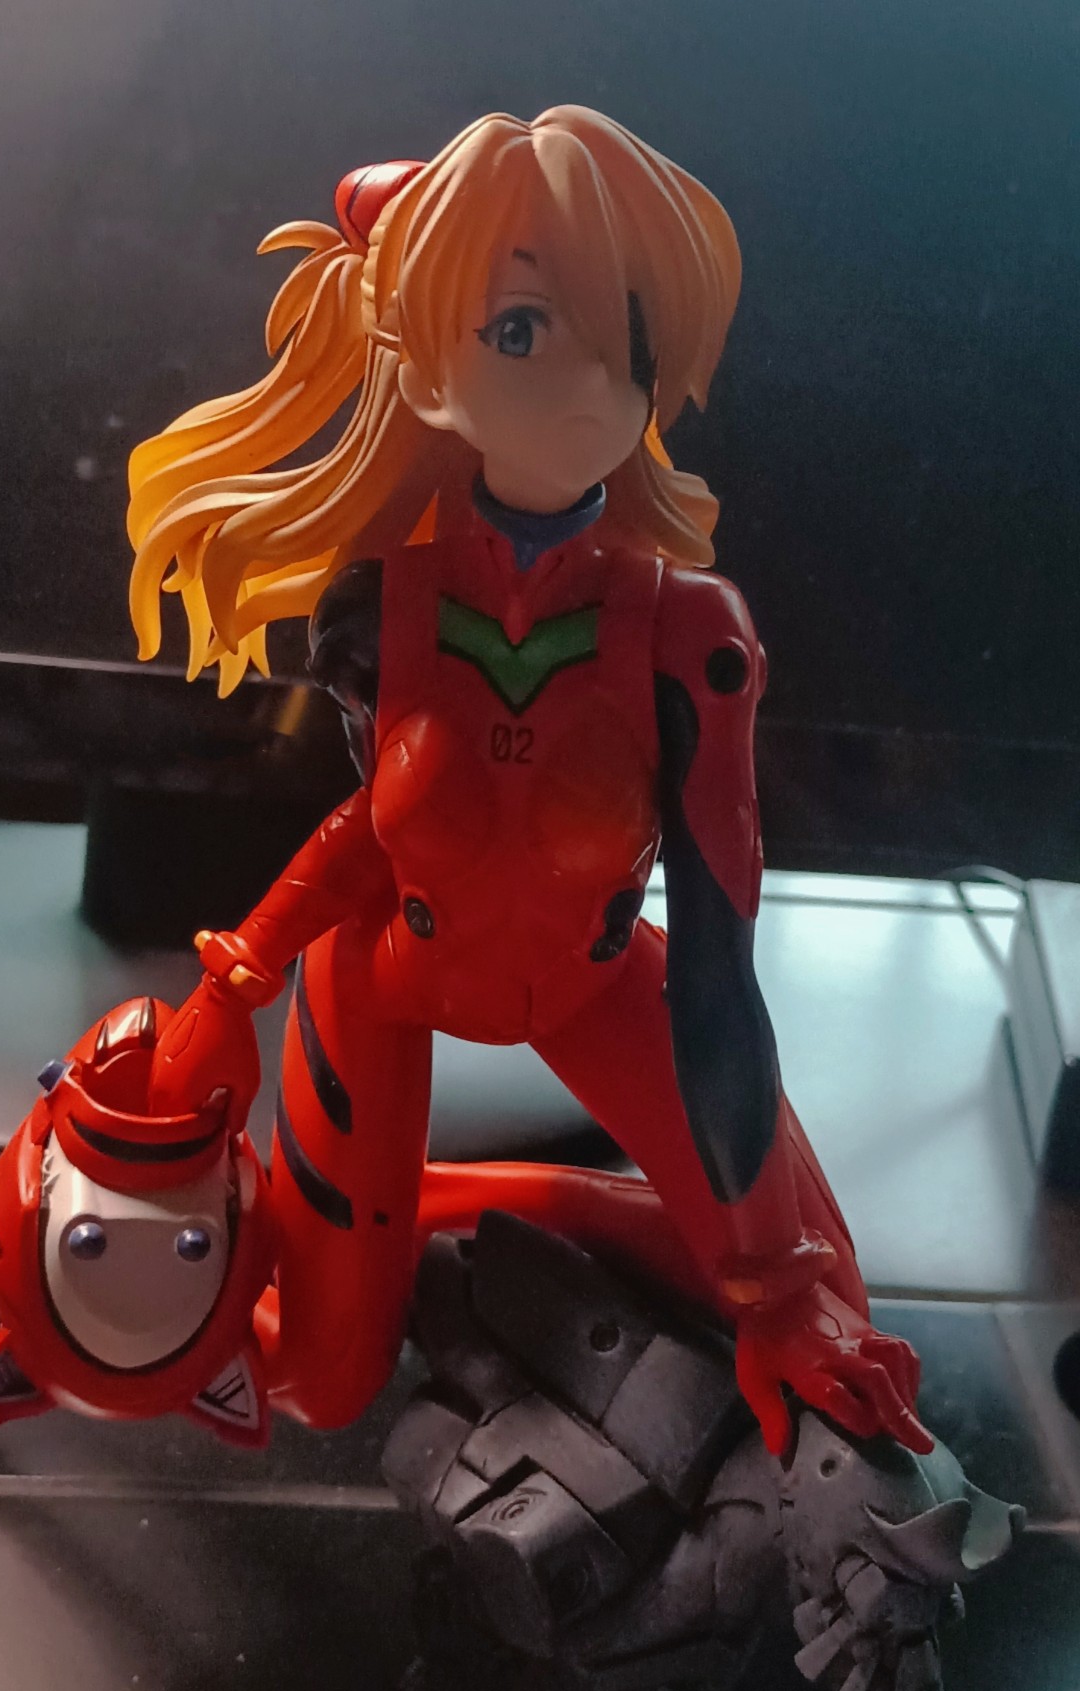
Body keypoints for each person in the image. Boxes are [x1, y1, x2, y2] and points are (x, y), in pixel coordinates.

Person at [126, 106, 929, 1455]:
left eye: (631, 343)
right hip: (383, 979)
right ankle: (111, 1269)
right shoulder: (373, 614)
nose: (595, 387)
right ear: (431, 367)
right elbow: (378, 830)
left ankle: (464, 1216)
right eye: (520, 330)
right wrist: (237, 976)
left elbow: (718, 966)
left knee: (827, 1312)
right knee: (319, 1380)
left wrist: (774, 1284)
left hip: (599, 984)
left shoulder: (689, 638)